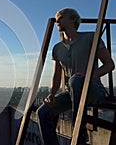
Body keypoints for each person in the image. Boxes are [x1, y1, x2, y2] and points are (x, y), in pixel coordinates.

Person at [36, 8, 115, 145]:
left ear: (73, 20)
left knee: (76, 80)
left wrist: (88, 76)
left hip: (93, 89)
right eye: (56, 18)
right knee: (42, 113)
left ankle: (79, 131)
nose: (57, 21)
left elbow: (109, 64)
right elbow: (56, 76)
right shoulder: (57, 48)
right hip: (71, 93)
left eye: (61, 17)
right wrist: (52, 94)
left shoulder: (91, 38)